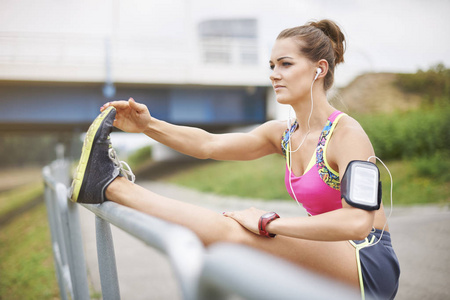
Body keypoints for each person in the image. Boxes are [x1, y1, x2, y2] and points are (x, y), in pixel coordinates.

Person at [69, 19, 400, 299]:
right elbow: (209, 144)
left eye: (285, 64)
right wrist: (148, 125)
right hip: (333, 251)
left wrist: (270, 224)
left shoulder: (346, 134)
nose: (274, 74)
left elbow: (358, 221)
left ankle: (113, 187)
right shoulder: (282, 134)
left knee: (237, 235)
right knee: (240, 245)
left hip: (365, 259)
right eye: (272, 66)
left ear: (319, 69)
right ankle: (109, 184)